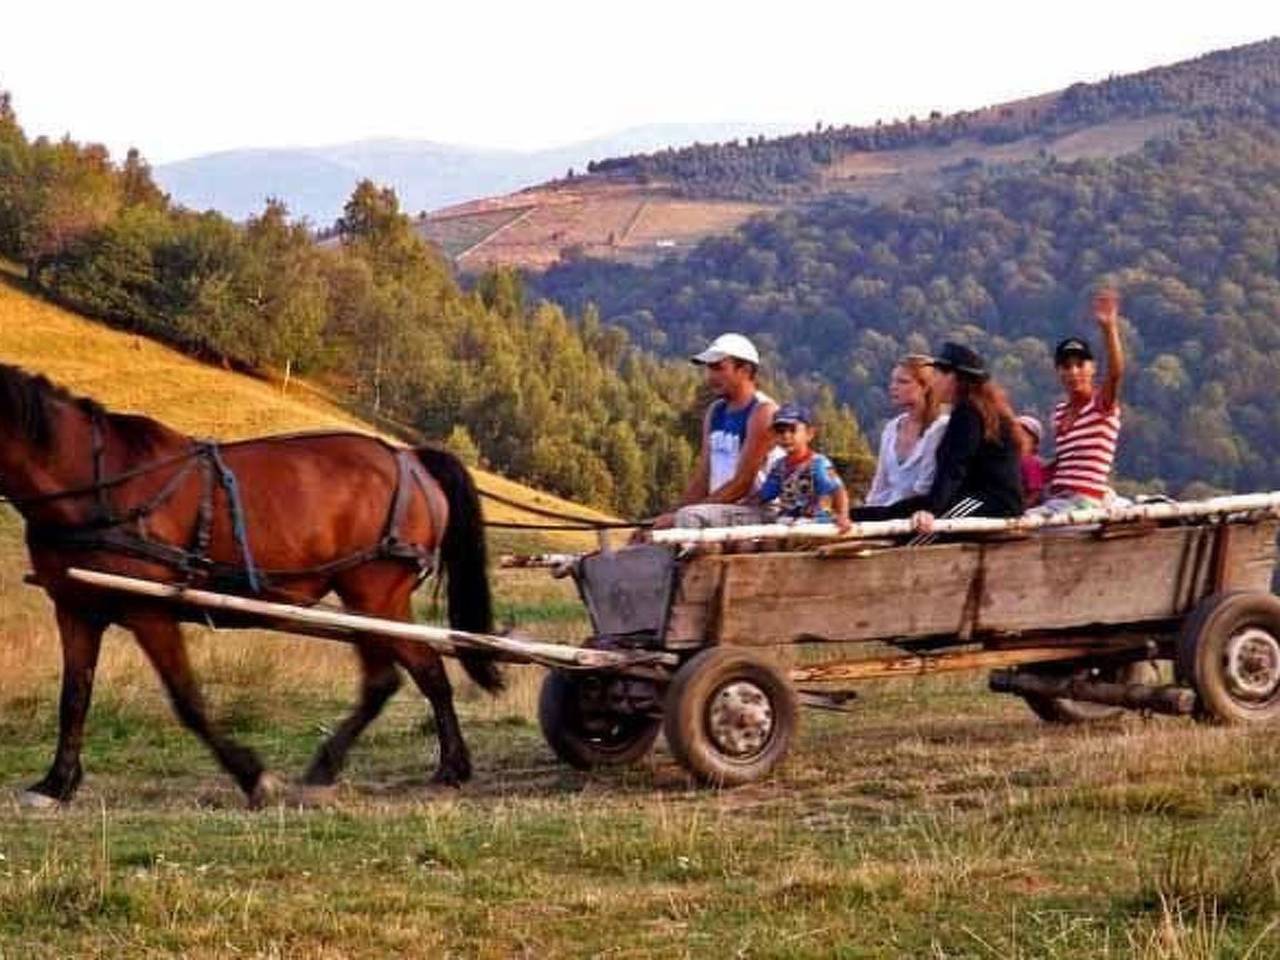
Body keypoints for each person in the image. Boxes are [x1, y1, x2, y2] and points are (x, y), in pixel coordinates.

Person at [852, 342, 1024, 532]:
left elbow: (953, 468)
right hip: (975, 497)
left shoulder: (968, 413)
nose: (934, 382)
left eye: (938, 375)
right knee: (889, 514)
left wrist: (931, 510)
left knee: (925, 532)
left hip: (991, 501)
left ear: (953, 377)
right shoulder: (974, 409)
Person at [651, 332, 779, 529]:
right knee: (657, 529)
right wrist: (669, 516)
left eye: (719, 368)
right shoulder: (715, 411)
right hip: (721, 510)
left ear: (744, 370)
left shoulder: (763, 412)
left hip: (757, 510)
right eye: (709, 369)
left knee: (686, 520)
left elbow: (742, 484)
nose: (711, 377)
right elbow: (703, 477)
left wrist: (681, 517)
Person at [1036, 287, 1126, 514]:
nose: (1073, 371)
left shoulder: (1100, 405)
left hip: (1084, 501)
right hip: (1058, 498)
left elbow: (1115, 374)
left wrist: (1109, 329)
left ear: (1093, 368)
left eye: (1080, 364)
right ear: (1058, 371)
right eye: (1066, 366)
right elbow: (1064, 462)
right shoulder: (1058, 413)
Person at [864, 355, 950, 509]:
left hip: (918, 513)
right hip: (886, 512)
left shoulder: (940, 428)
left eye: (902, 381)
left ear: (925, 387)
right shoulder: (891, 428)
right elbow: (880, 485)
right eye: (893, 381)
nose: (893, 387)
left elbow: (924, 487)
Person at [754, 404, 852, 532]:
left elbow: (838, 490)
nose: (786, 436)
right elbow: (764, 495)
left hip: (815, 522)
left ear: (809, 434)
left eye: (792, 430)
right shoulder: (779, 466)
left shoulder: (818, 464)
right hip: (787, 522)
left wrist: (843, 516)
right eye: (780, 431)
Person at [1016, 414, 1047, 509]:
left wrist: (1023, 508)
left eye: (1022, 435)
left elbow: (1035, 492)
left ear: (1034, 442)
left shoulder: (1030, 462)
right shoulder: (1014, 461)